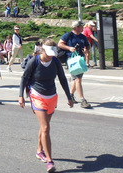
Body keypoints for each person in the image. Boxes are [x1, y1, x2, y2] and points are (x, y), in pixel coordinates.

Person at [19, 38, 74, 173]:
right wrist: (21, 95)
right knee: (45, 127)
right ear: (42, 50)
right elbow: (24, 78)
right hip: (37, 95)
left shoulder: (55, 61)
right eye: (48, 53)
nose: (50, 56)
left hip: (51, 96)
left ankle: (39, 151)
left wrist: (69, 96)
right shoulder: (34, 61)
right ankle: (50, 161)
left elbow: (62, 79)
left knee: (44, 128)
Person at [58, 21, 91, 109]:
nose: (83, 28)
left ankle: (71, 95)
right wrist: (69, 48)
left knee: (76, 79)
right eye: (81, 26)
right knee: (78, 79)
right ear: (76, 27)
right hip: (71, 60)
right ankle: (82, 100)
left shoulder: (82, 36)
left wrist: (86, 50)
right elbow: (60, 44)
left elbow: (88, 45)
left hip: (80, 59)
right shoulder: (68, 35)